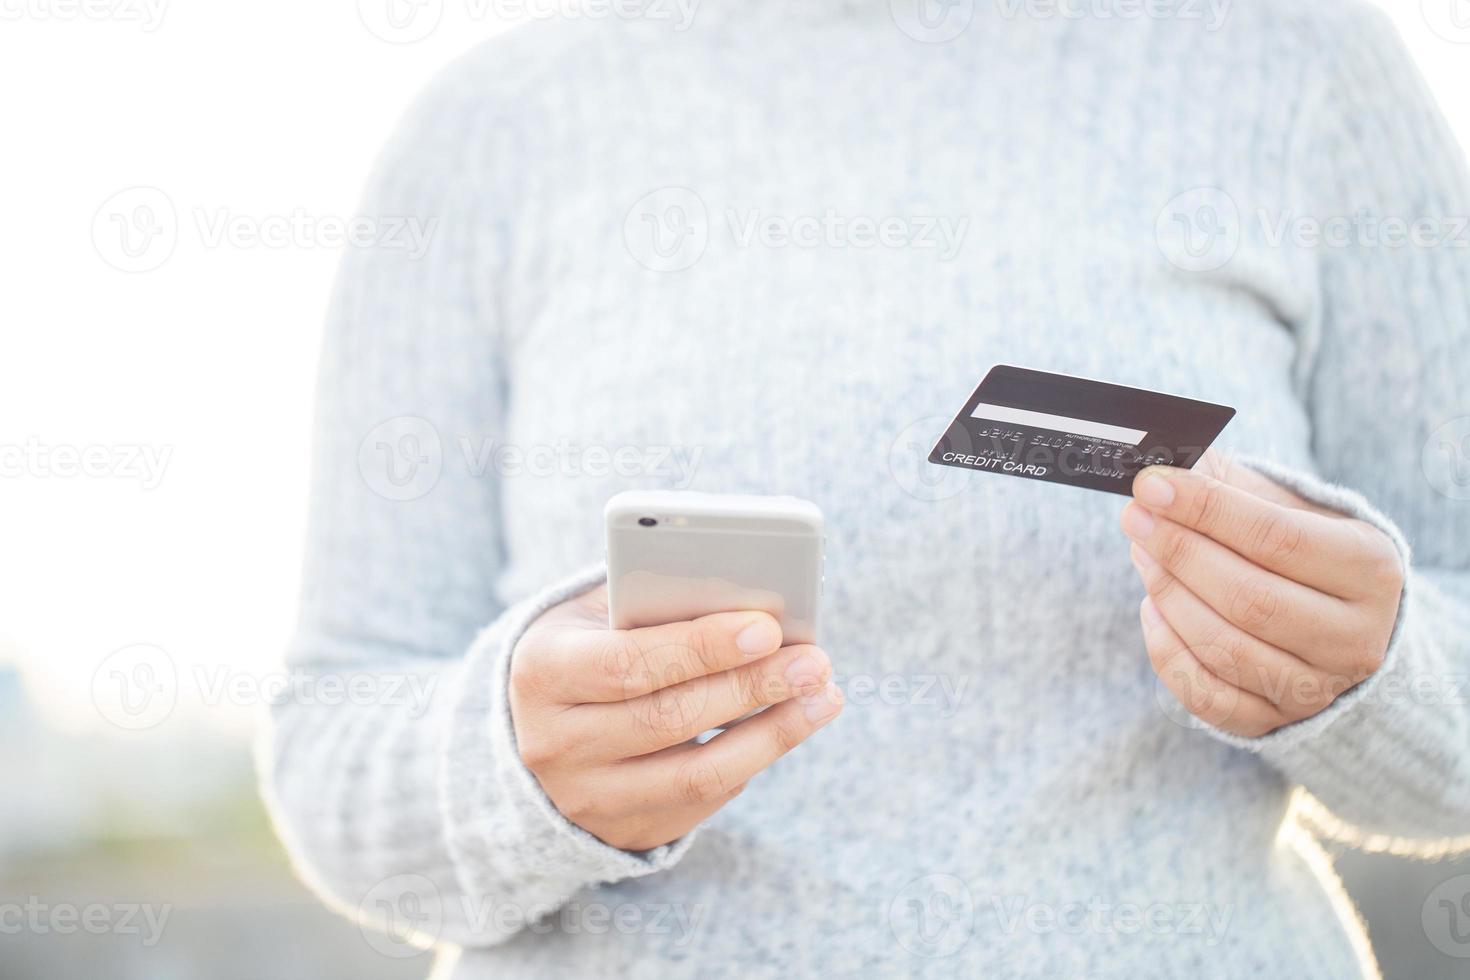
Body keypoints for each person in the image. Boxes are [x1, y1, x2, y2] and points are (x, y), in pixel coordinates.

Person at [260, 1, 1470, 975]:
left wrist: (1375, 671)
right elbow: (332, 738)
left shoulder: (1302, 60)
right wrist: (505, 769)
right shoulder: (491, 127)